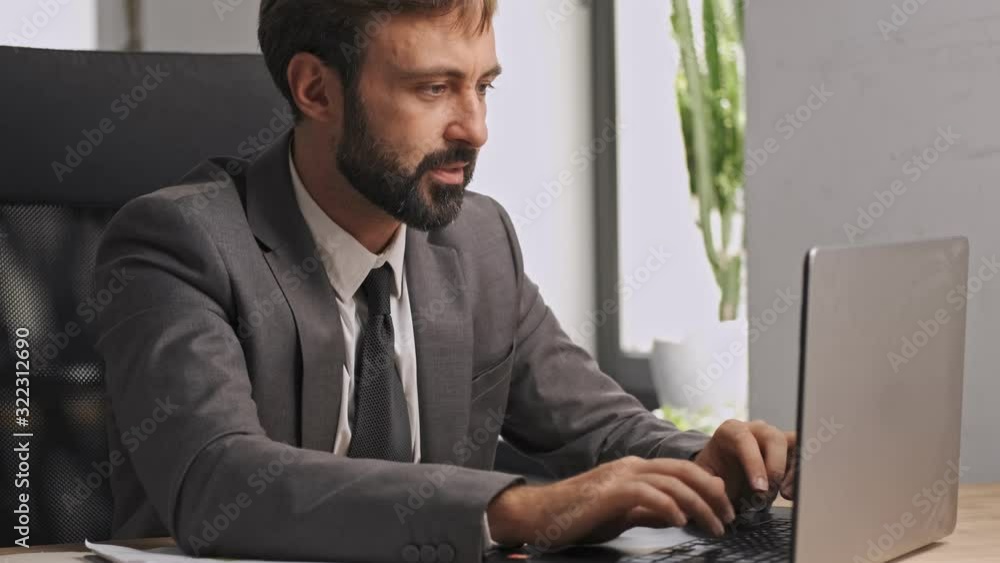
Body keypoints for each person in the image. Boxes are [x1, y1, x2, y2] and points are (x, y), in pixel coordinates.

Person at [93, 1, 795, 561]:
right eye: (434, 88)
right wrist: (521, 508)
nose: (476, 127)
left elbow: (601, 427)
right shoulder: (180, 244)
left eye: (483, 85)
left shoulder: (478, 241)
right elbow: (223, 481)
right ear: (316, 90)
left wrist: (705, 462)